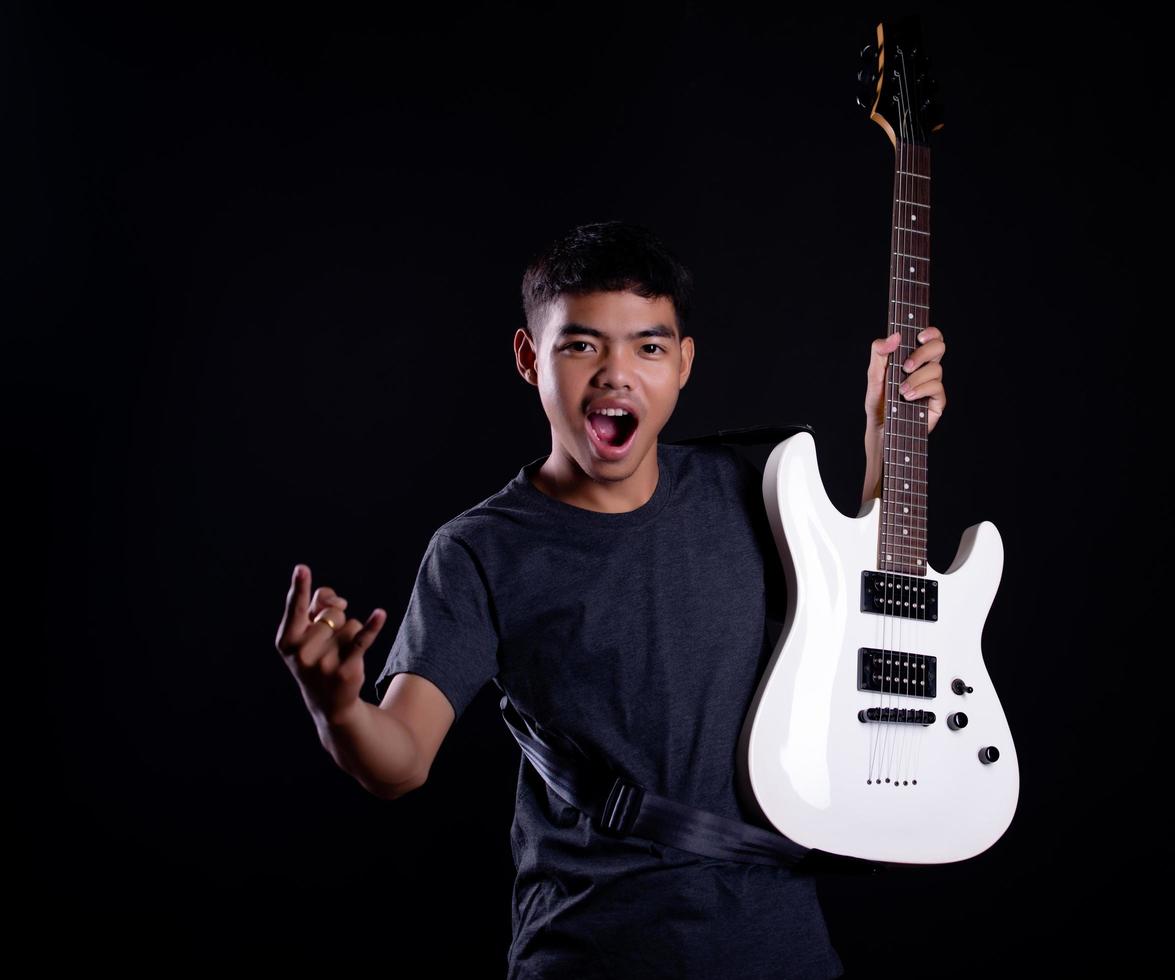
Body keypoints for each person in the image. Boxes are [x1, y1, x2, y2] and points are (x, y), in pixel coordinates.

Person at [275, 220, 948, 977]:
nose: (616, 373)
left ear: (684, 363)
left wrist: (884, 440)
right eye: (581, 344)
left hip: (781, 949)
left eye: (648, 346)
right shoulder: (479, 550)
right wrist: (337, 707)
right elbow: (399, 762)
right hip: (594, 954)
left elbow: (871, 621)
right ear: (531, 359)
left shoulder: (752, 488)